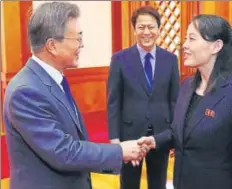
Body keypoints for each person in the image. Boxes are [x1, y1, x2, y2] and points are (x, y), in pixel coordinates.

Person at [3, 2, 148, 189]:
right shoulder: (26, 91)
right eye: (77, 39)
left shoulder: (51, 79)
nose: (82, 45)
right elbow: (63, 152)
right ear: (52, 46)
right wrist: (120, 151)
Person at [138, 14, 232, 189]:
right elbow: (181, 132)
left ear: (216, 46)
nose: (184, 45)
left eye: (192, 39)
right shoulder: (187, 85)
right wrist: (155, 141)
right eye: (186, 39)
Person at [107, 6, 180, 189]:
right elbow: (113, 101)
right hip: (129, 135)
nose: (146, 32)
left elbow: (174, 100)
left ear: (158, 29)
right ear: (134, 29)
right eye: (141, 27)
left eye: (151, 27)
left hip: (160, 134)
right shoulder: (120, 59)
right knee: (129, 183)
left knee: (158, 182)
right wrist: (115, 138)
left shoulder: (170, 60)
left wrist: (174, 135)